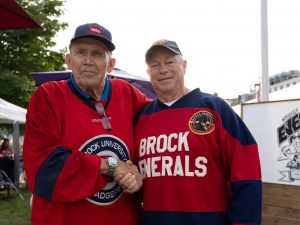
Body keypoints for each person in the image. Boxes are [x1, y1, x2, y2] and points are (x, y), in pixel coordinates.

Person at [23, 23, 150, 225]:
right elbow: (43, 165)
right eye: (81, 52)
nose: (89, 61)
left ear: (110, 64)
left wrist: (135, 174)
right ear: (69, 60)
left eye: (98, 54)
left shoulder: (128, 94)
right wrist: (110, 165)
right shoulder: (48, 96)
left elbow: (159, 127)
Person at [134, 39, 262, 225]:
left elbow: (247, 175)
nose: (162, 69)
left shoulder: (215, 109)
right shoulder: (141, 118)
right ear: (148, 72)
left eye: (170, 62)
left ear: (184, 66)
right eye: (155, 65)